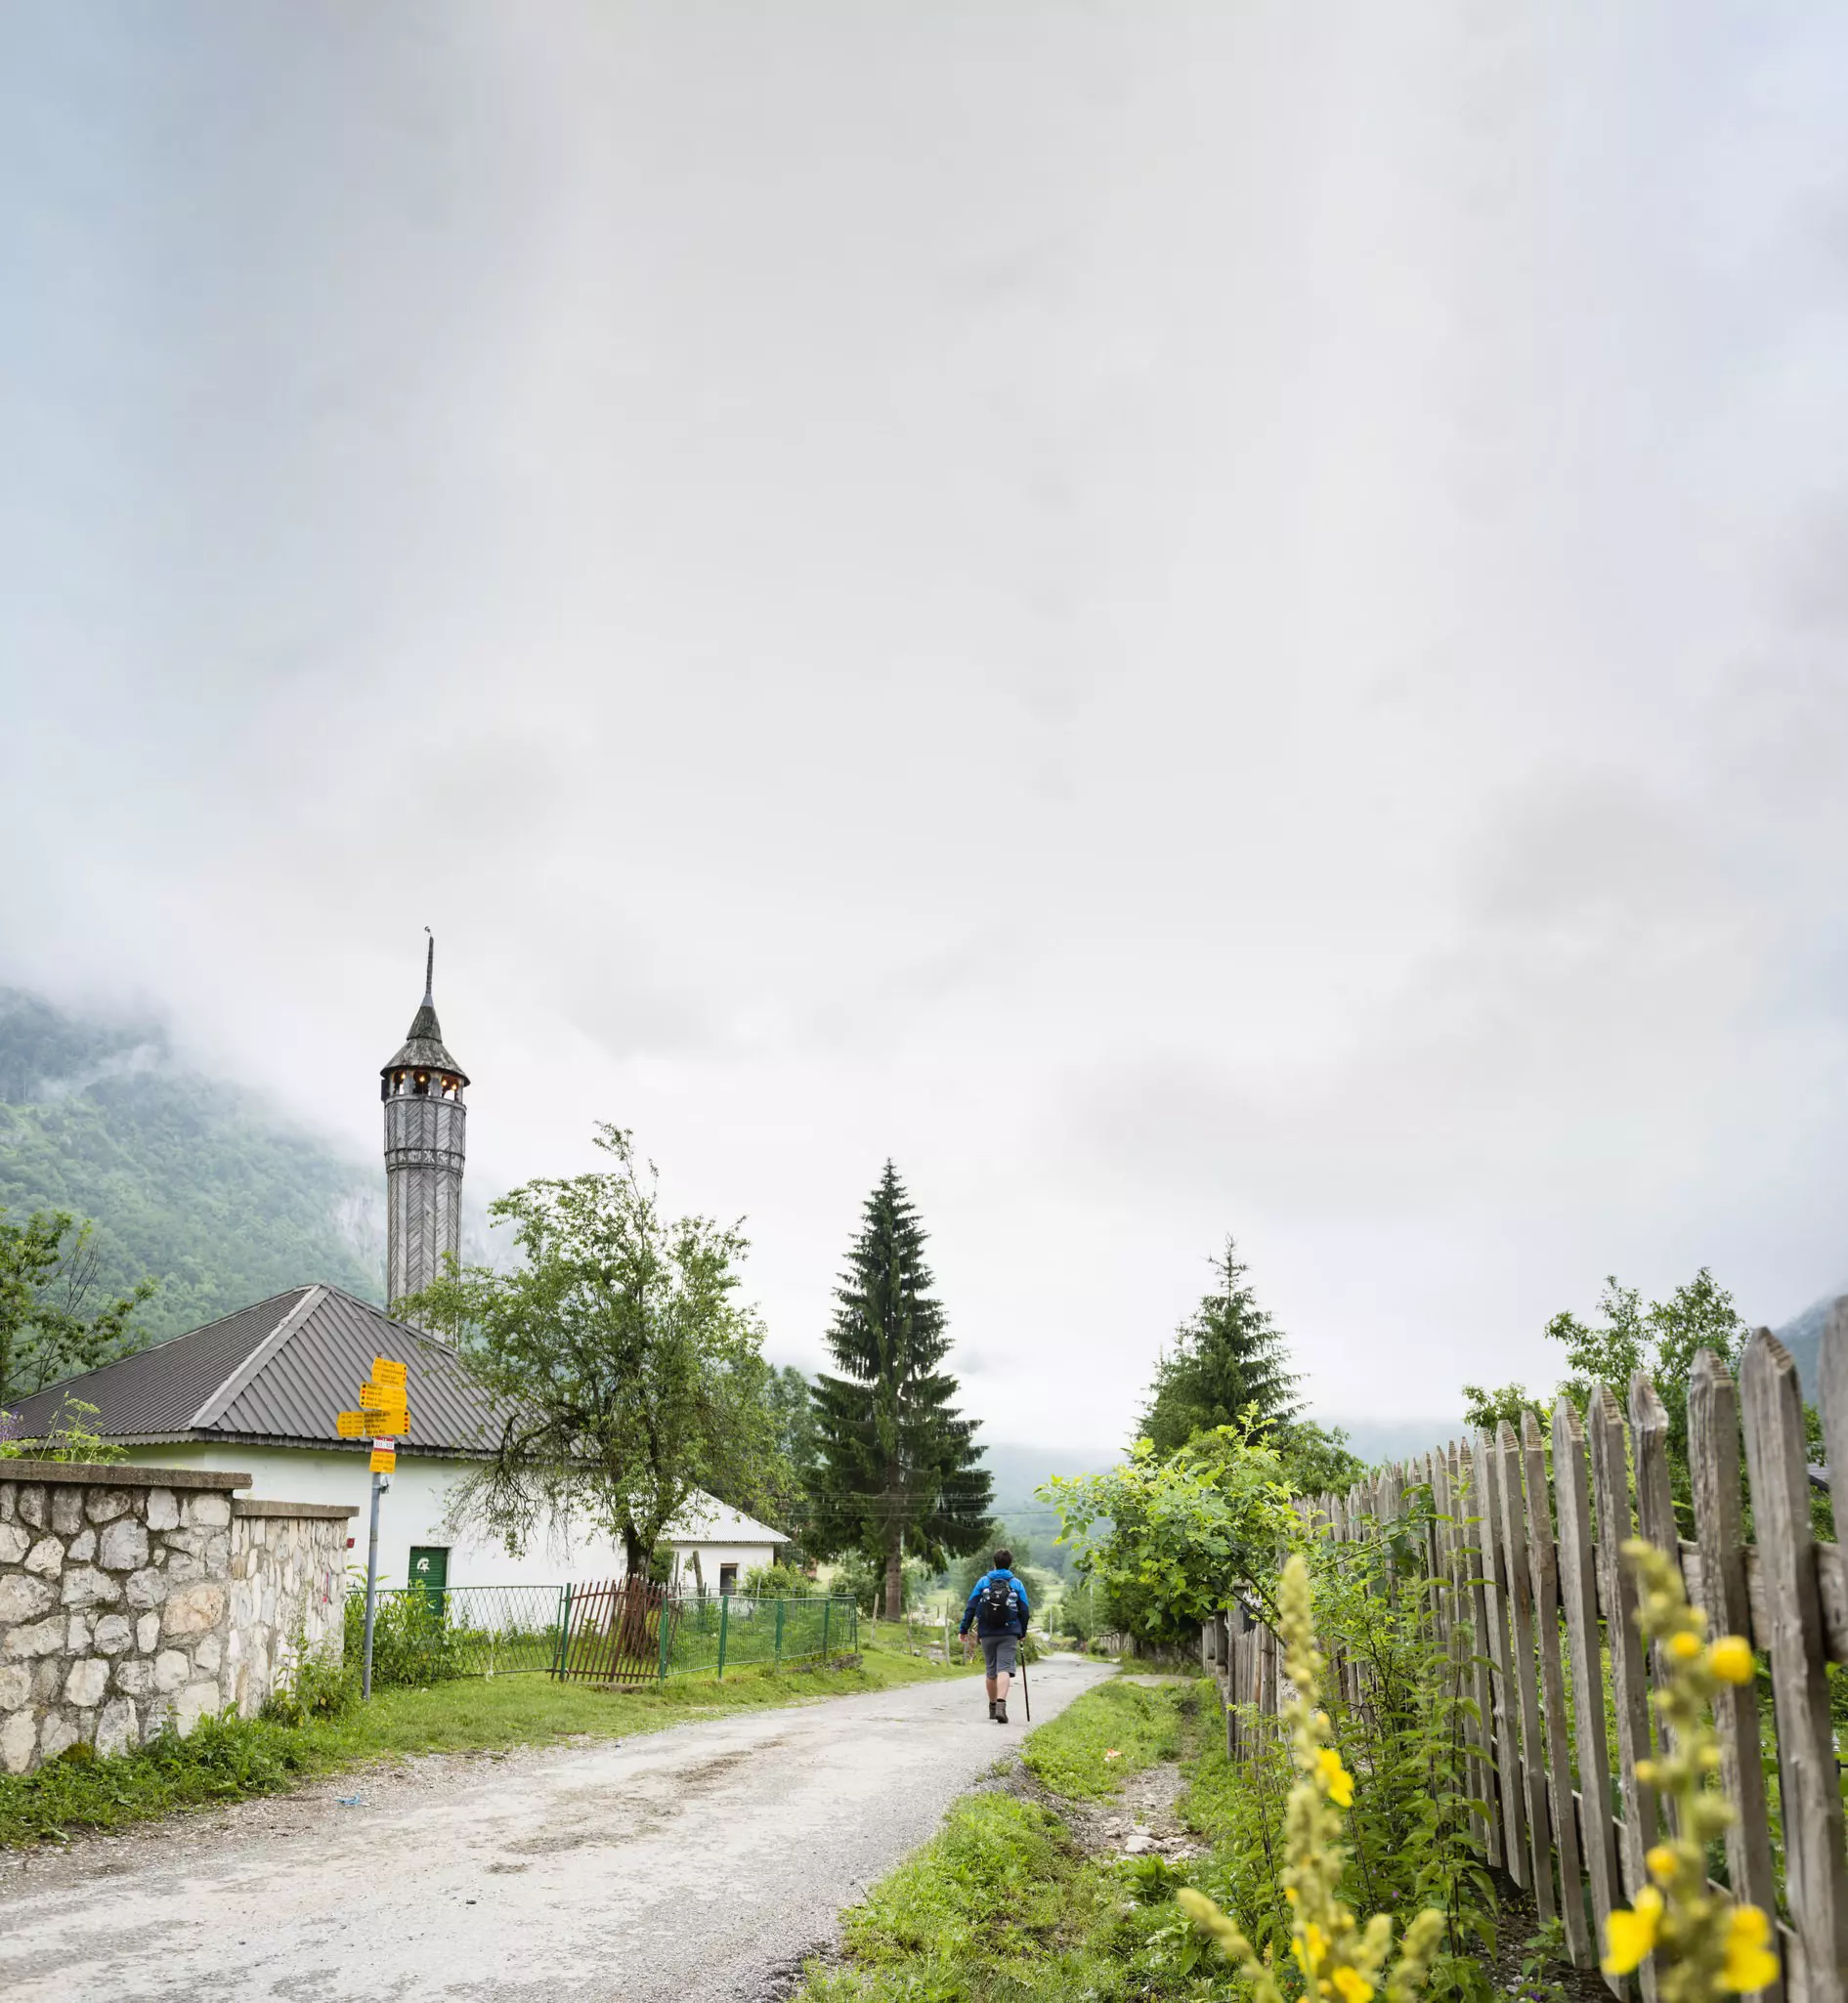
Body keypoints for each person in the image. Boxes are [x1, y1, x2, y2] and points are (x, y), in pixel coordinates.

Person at [960, 1547, 1030, 1724]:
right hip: (1009, 1632)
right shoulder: (1016, 1584)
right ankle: (1001, 1706)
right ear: (1010, 1564)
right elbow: (1025, 1610)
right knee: (1004, 1669)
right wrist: (1022, 1631)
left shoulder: (983, 1582)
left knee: (991, 1671)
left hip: (987, 1632)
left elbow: (971, 1606)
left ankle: (992, 1708)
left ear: (994, 1563)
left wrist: (964, 1629)